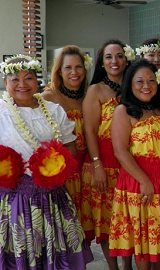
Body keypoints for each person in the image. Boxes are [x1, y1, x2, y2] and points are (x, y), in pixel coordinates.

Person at [0, 54, 86, 269]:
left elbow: (70, 145)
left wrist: (58, 164)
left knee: (55, 254)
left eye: (28, 78)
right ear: (5, 82)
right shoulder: (1, 112)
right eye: (14, 80)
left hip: (52, 195)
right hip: (14, 197)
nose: (22, 85)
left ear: (37, 80)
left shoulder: (53, 109)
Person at [108, 59, 160, 269]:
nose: (146, 86)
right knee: (143, 249)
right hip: (140, 184)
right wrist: (144, 181)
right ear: (130, 84)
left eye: (151, 81)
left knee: (159, 247)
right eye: (139, 81)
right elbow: (120, 152)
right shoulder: (124, 111)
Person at [81, 39, 134, 270]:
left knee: (129, 221)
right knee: (108, 223)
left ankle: (128, 265)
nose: (115, 61)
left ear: (126, 59)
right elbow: (90, 130)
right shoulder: (95, 90)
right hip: (104, 165)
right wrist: (97, 165)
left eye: (120, 56)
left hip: (129, 165)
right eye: (109, 57)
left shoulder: (134, 86)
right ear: (102, 63)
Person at [42, 45, 92, 214]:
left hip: (87, 172)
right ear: (59, 72)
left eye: (78, 67)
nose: (74, 72)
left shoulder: (88, 96)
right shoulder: (48, 97)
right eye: (68, 67)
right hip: (63, 173)